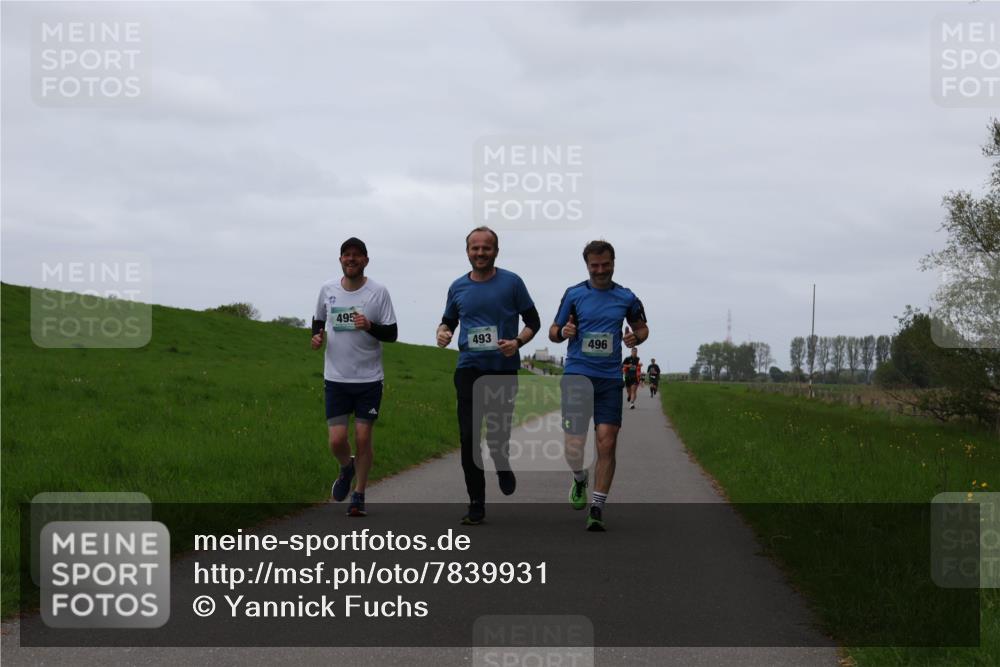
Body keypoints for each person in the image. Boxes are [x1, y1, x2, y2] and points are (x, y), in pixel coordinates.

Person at [437, 226, 540, 525]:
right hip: (468, 368)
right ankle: (476, 503)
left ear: (496, 251)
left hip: (503, 370)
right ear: (467, 251)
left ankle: (501, 460)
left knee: (497, 436)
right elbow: (448, 322)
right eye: (475, 248)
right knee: (469, 436)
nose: (480, 253)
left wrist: (517, 342)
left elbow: (533, 320)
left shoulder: (512, 282)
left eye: (486, 248)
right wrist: (442, 334)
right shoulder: (457, 287)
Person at [549, 240, 649, 531]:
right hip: (578, 375)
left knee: (607, 440)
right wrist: (563, 331)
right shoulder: (574, 294)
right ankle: (580, 478)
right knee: (574, 446)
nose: (601, 270)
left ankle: (597, 506)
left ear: (613, 263)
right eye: (595, 266)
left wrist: (636, 338)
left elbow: (642, 328)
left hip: (608, 379)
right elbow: (554, 332)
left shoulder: (626, 297)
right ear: (587, 265)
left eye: (606, 264)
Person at [312, 238, 398, 517]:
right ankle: (346, 467)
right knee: (337, 441)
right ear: (340, 260)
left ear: (366, 261)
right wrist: (315, 336)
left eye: (357, 256)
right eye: (346, 255)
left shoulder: (378, 292)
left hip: (368, 379)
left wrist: (370, 326)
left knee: (362, 438)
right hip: (336, 377)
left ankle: (358, 494)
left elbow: (392, 334)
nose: (351, 259)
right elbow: (318, 319)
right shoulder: (328, 289)